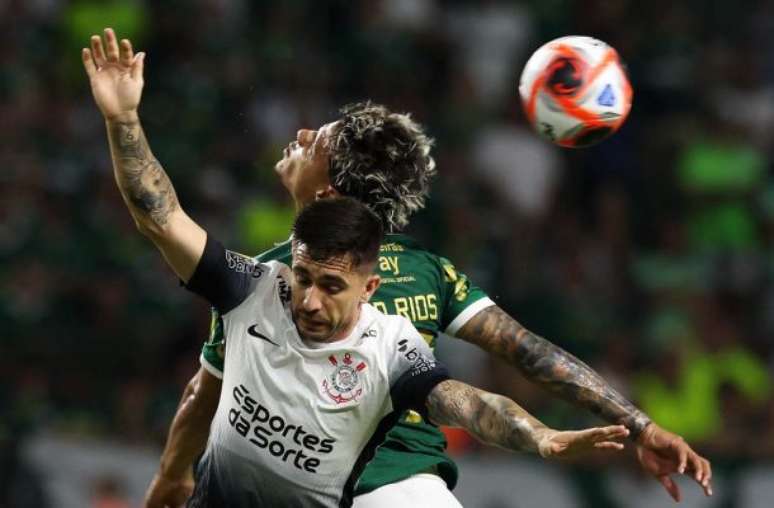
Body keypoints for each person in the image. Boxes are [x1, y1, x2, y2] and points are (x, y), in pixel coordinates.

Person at [82, 28, 712, 507]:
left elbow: (205, 391)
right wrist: (637, 423)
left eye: (318, 140)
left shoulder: (266, 280)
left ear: (328, 192)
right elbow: (528, 351)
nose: (302, 134)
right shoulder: (429, 273)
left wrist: (172, 474)